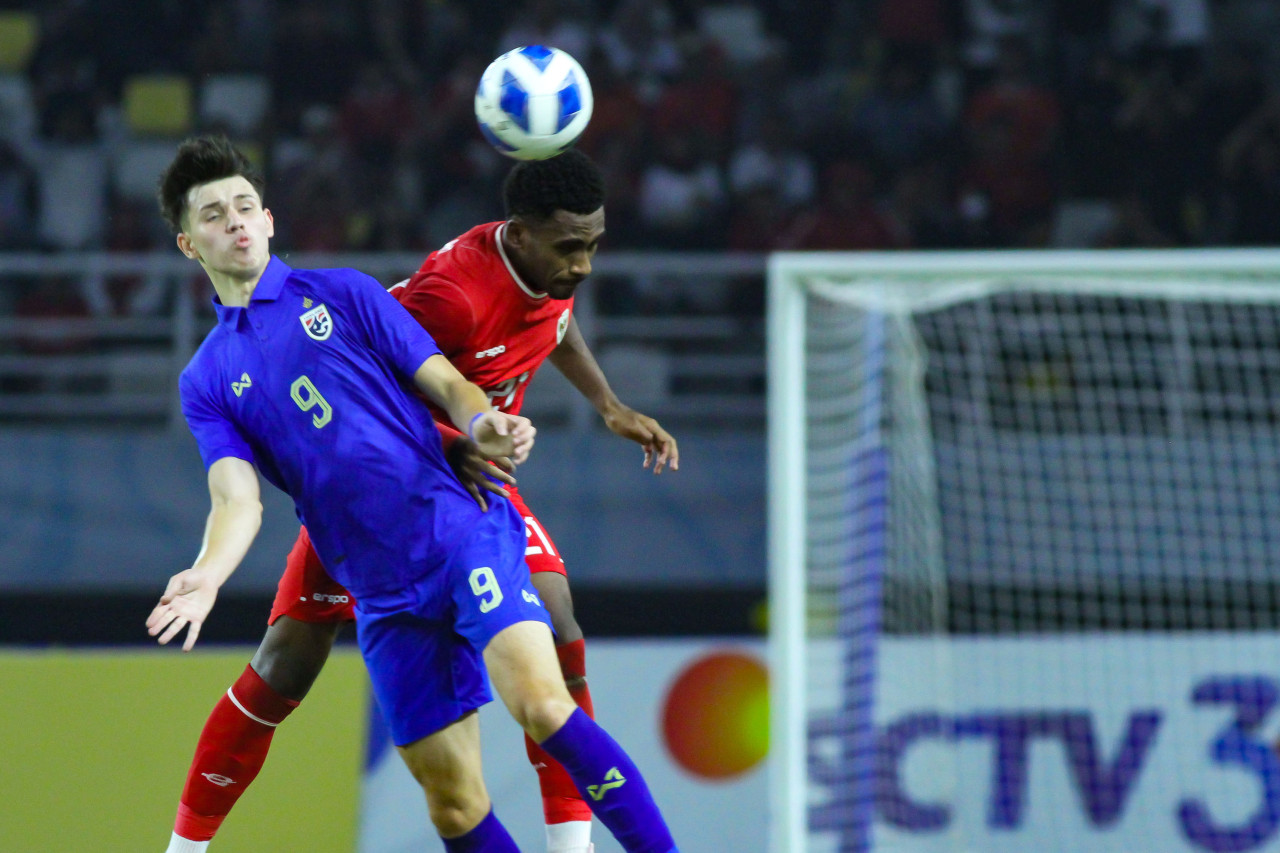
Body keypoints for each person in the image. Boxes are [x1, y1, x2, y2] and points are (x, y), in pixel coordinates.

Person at [149, 135, 679, 853]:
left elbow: (447, 381)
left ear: (270, 220)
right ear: (189, 243)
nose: (236, 221)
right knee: (454, 805)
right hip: (380, 589)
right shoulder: (206, 379)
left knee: (542, 704)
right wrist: (207, 576)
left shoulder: (345, 293)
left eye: (245, 205)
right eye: (214, 215)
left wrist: (484, 425)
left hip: (457, 529)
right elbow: (237, 498)